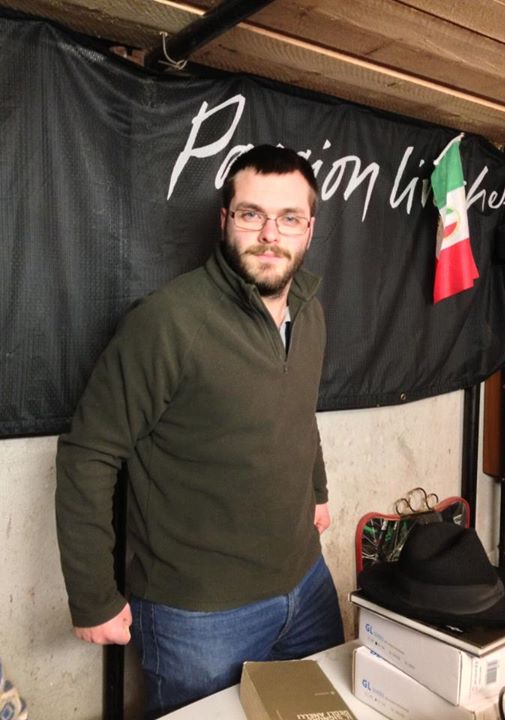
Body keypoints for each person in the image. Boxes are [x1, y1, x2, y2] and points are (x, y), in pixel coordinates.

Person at [55, 144, 344, 719]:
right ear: (225, 220)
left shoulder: (310, 311)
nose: (270, 234)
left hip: (307, 584)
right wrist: (92, 596)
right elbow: (89, 453)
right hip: (200, 615)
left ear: (309, 229)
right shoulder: (168, 322)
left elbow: (300, 409)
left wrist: (317, 489)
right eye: (252, 214)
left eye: (289, 218)